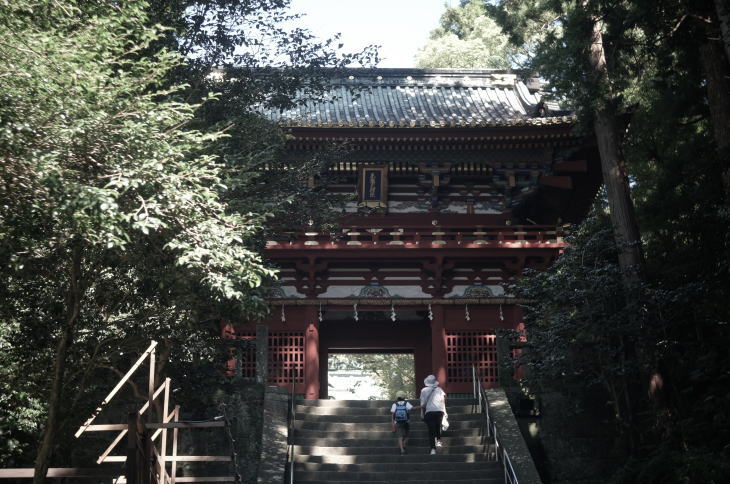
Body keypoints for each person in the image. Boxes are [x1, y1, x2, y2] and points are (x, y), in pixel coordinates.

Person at [420, 374, 446, 455]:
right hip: (439, 411)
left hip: (430, 412)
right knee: (437, 427)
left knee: (431, 430)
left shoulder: (424, 390)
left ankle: (433, 449)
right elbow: (443, 401)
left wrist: (421, 413)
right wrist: (445, 412)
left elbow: (423, 404)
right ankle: (438, 440)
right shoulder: (440, 390)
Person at [390, 390, 418, 455]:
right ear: (404, 397)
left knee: (400, 436)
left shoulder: (394, 404)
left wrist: (393, 423)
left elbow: (392, 414)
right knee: (407, 435)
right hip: (406, 422)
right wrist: (421, 406)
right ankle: (403, 444)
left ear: (397, 397)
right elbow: (412, 408)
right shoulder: (406, 403)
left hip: (398, 422)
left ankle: (402, 450)